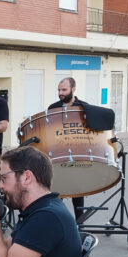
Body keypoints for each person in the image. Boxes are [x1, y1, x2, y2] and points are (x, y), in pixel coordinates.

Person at [49, 77, 85, 221]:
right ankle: (57, 223)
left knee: (78, 191)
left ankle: (80, 225)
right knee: (58, 191)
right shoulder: (53, 108)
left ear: (73, 89)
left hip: (77, 156)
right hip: (59, 155)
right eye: (59, 90)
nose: (60, 93)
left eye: (64, 90)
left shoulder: (83, 107)